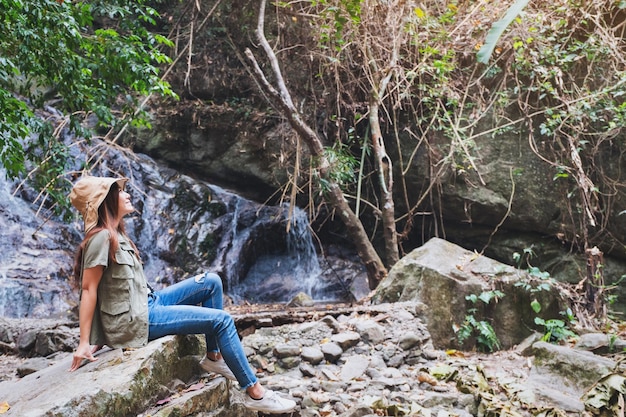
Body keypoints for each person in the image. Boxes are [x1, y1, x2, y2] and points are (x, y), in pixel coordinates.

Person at [68, 175, 296, 414]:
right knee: (222, 321)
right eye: (118, 191)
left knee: (211, 282)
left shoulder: (117, 233)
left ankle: (213, 357)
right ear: (105, 201)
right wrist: (86, 341)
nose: (127, 194)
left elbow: (110, 291)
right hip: (138, 318)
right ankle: (256, 393)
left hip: (148, 302)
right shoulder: (101, 238)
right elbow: (89, 289)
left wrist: (101, 334)